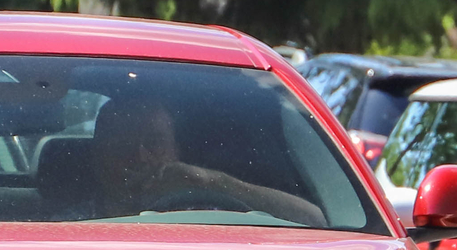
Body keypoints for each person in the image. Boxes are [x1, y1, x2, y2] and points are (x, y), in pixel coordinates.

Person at [81, 95, 324, 226]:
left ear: (176, 150)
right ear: (97, 153)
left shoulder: (215, 217)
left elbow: (317, 221)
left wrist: (212, 182)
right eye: (123, 144)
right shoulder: (64, 223)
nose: (140, 157)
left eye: (154, 142)